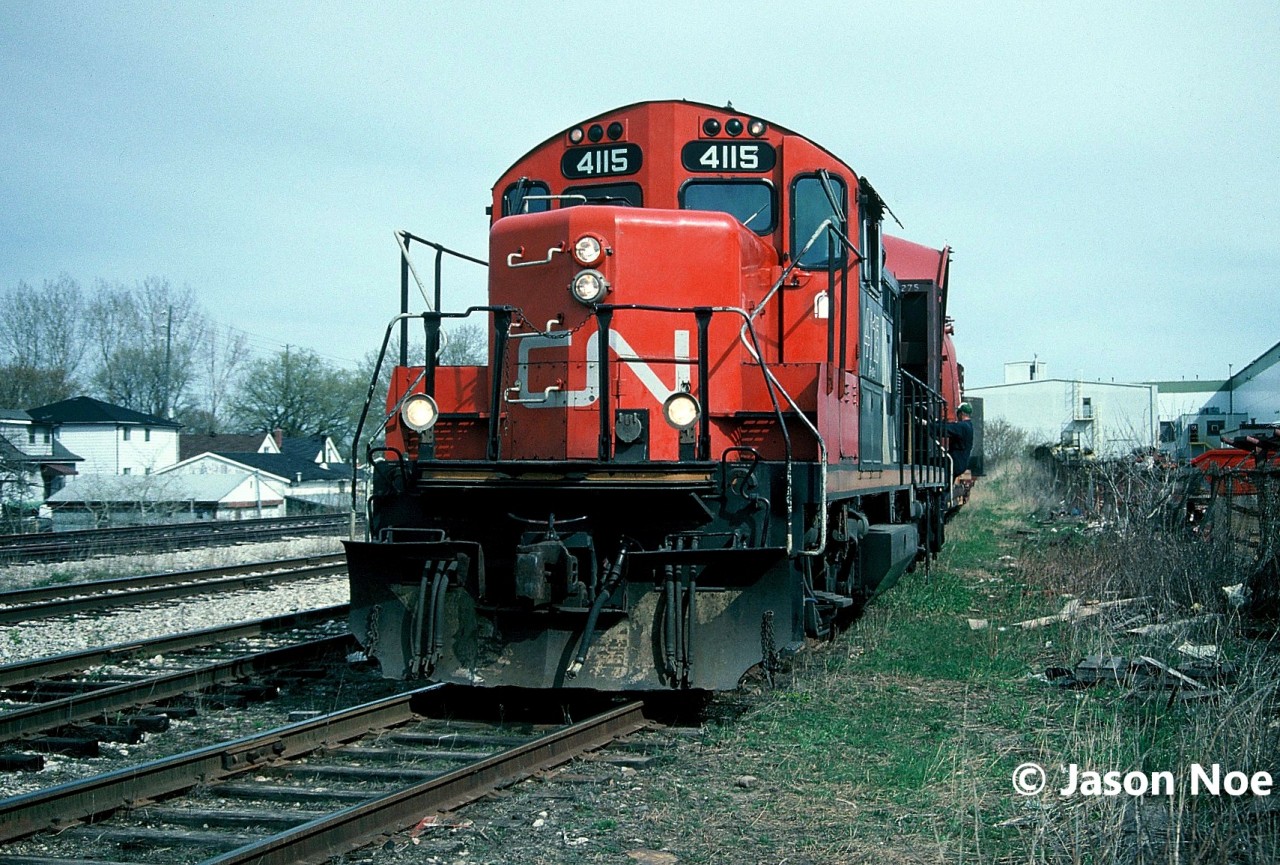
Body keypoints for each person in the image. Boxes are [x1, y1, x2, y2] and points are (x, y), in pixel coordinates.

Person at [944, 402, 974, 479]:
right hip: (959, 463)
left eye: (958, 413)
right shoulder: (968, 426)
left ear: (961, 413)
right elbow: (951, 426)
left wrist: (927, 425)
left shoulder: (962, 426)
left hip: (955, 463)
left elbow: (948, 429)